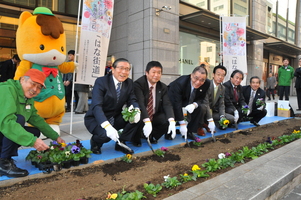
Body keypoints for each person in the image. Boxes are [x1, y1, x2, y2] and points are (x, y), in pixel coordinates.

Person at [0, 69, 64, 178]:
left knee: (35, 132)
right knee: (18, 120)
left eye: (39, 87)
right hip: (4, 125)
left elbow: (35, 118)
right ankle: (3, 163)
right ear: (23, 80)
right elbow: (7, 122)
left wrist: (55, 137)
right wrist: (32, 141)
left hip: (3, 129)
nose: (35, 89)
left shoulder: (27, 98)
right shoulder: (6, 90)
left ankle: (4, 155)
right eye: (33, 84)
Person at [84, 58, 141, 155]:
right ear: (113, 69)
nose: (124, 72)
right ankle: (95, 142)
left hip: (115, 117)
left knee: (135, 119)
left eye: (127, 69)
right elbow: (96, 106)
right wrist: (107, 126)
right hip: (97, 118)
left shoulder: (129, 83)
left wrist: (137, 110)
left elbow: (132, 99)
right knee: (105, 136)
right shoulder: (101, 82)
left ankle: (121, 142)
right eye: (121, 68)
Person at [132, 61, 176, 147]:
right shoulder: (138, 84)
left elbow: (167, 104)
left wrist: (172, 121)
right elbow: (140, 103)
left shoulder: (162, 87)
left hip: (154, 115)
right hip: (141, 114)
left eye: (159, 73)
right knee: (137, 116)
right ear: (147, 73)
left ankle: (152, 136)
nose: (156, 75)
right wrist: (147, 121)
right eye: (153, 72)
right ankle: (136, 137)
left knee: (166, 119)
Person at [168, 65, 215, 139]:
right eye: (196, 78)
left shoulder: (207, 83)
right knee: (173, 110)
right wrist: (181, 123)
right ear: (191, 75)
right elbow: (177, 103)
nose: (198, 82)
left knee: (200, 108)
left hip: (189, 100)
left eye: (202, 80)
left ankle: (190, 131)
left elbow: (201, 98)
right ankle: (170, 131)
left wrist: (194, 105)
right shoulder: (181, 83)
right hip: (173, 98)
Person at [205, 64, 234, 130]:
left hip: (214, 112)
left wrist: (222, 117)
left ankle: (217, 123)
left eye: (222, 75)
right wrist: (210, 119)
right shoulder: (207, 85)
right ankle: (208, 123)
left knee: (231, 118)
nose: (220, 77)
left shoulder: (222, 88)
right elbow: (205, 103)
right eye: (218, 74)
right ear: (213, 75)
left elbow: (221, 104)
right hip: (204, 112)